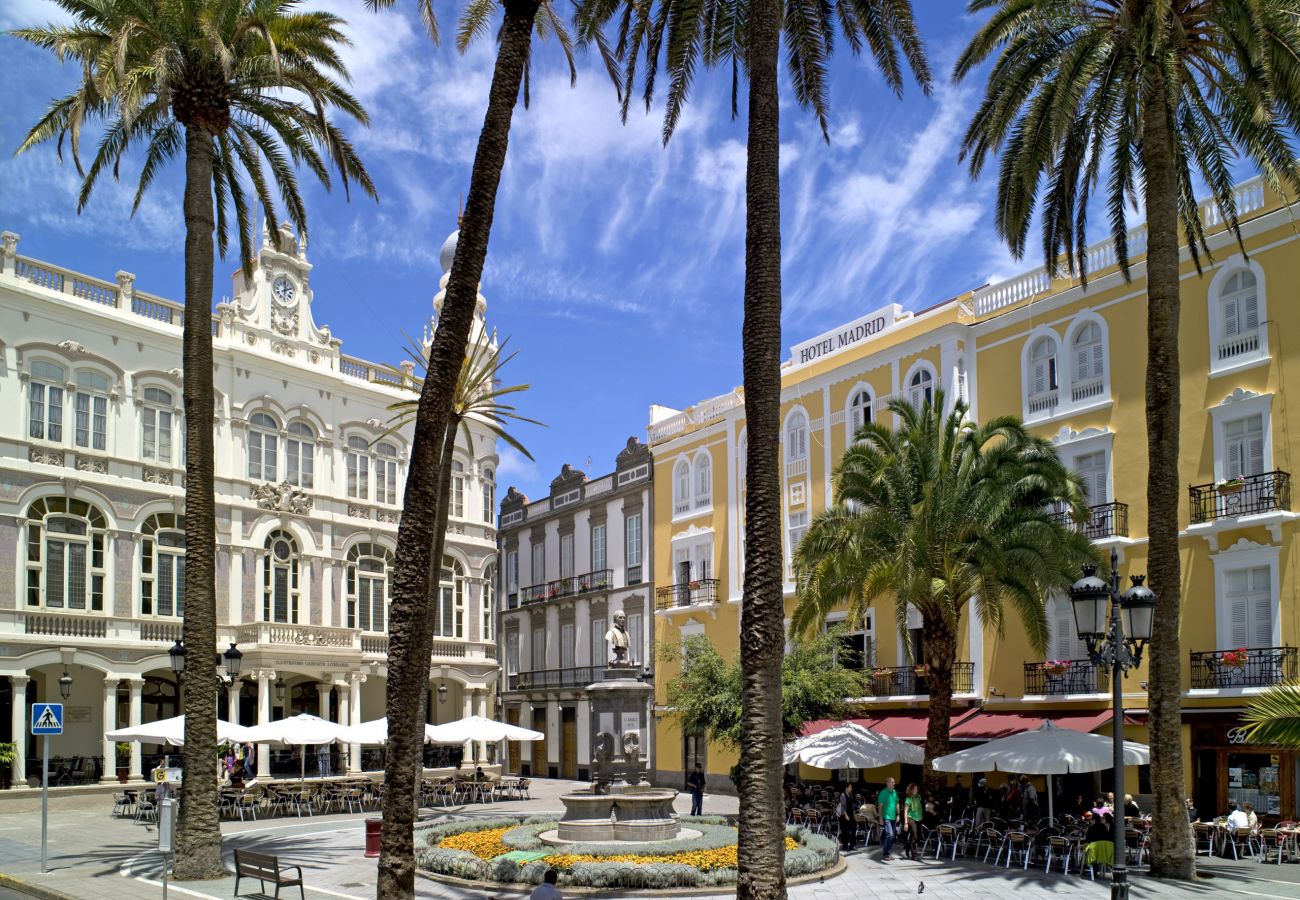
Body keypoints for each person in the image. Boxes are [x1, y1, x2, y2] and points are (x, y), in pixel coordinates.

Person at [878, 776, 900, 861]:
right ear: (887, 783)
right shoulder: (883, 793)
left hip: (893, 817)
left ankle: (889, 853)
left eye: (894, 782)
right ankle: (885, 853)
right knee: (889, 834)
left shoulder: (895, 792)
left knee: (892, 836)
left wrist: (898, 814)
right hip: (886, 817)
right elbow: (880, 806)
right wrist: (880, 818)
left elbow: (897, 803)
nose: (894, 783)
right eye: (892, 782)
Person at [902, 783, 923, 860]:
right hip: (910, 818)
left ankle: (907, 847)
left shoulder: (918, 797)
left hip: (918, 818)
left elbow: (919, 808)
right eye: (914, 789)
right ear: (910, 790)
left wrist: (921, 816)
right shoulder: (908, 799)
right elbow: (905, 811)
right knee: (915, 835)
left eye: (916, 789)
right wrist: (906, 823)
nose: (916, 790)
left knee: (916, 837)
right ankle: (914, 855)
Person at [835, 783, 857, 852]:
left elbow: (852, 806)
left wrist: (854, 815)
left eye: (851, 787)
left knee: (854, 829)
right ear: (846, 788)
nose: (851, 789)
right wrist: (846, 815)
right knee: (845, 832)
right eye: (850, 787)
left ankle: (852, 845)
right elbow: (843, 806)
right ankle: (845, 846)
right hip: (844, 816)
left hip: (851, 815)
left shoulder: (851, 795)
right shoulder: (843, 795)